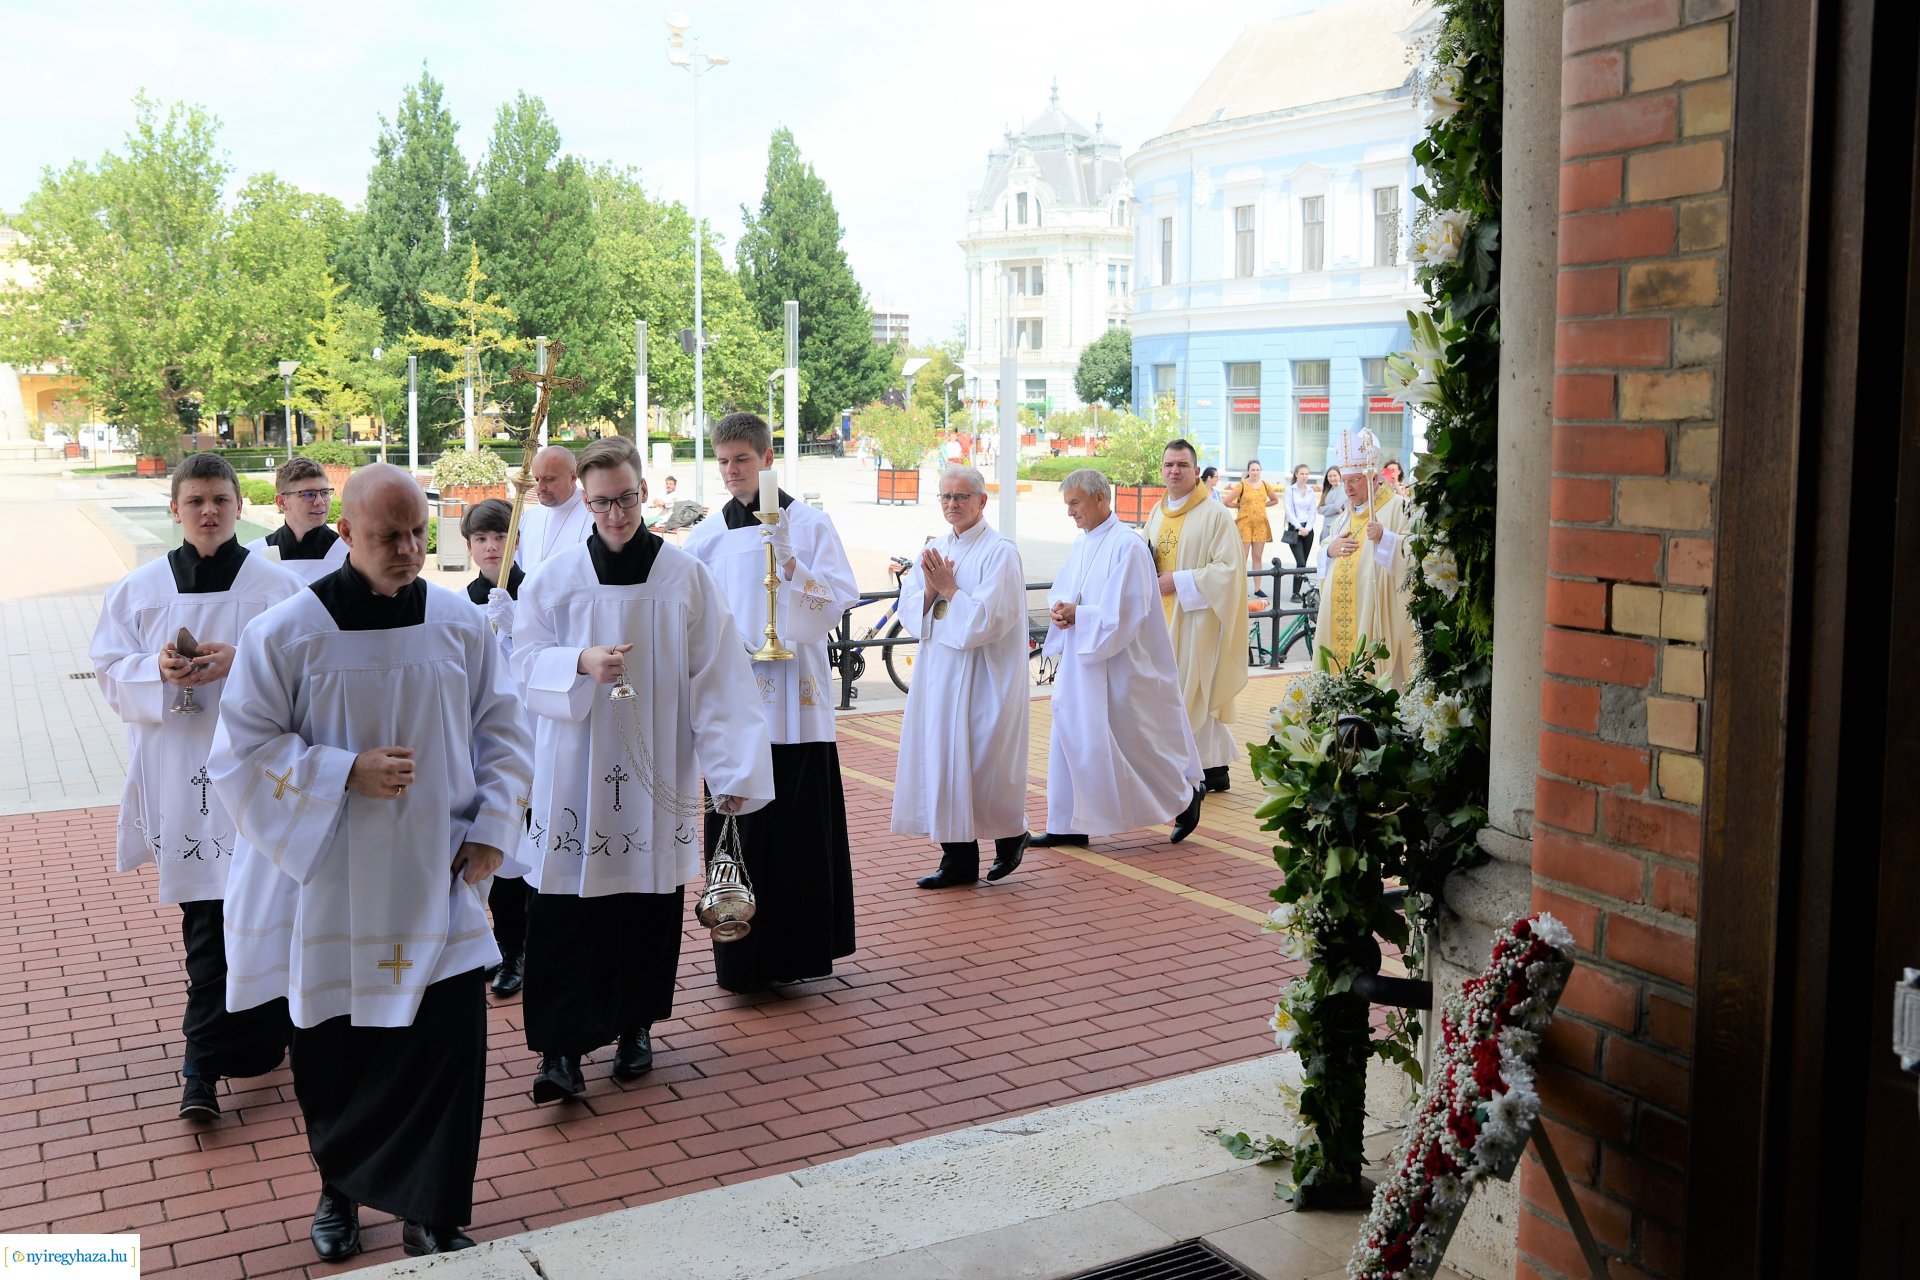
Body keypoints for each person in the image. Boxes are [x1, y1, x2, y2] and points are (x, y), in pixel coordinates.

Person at [208, 464, 534, 1261]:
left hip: (438, 873)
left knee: (448, 1045)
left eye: (421, 534)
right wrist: (342, 771)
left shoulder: (459, 624)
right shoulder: (287, 633)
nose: (410, 550)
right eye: (390, 536)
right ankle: (341, 1190)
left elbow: (506, 729)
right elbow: (240, 751)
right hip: (332, 884)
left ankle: (432, 1206)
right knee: (337, 1052)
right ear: (346, 534)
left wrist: (495, 824)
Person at [513, 436, 774, 1103]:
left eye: (626, 498)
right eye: (601, 502)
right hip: (575, 771)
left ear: (644, 494)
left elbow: (719, 679)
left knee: (644, 910)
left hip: (655, 767)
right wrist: (578, 663)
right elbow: (520, 662)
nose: (615, 514)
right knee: (565, 913)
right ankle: (560, 1053)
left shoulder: (685, 579)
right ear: (585, 499)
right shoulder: (557, 578)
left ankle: (635, 1028)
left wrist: (731, 770)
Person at [90, 452, 303, 1121]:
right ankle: (201, 1067)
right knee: (206, 927)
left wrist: (241, 665)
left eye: (220, 499)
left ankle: (267, 1041)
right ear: (175, 510)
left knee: (267, 916)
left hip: (257, 777)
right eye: (195, 501)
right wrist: (155, 670)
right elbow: (106, 669)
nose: (208, 511)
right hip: (182, 777)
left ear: (240, 506)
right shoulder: (139, 590)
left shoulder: (276, 589)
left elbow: (310, 675)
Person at [683, 413, 861, 991]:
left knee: (799, 831)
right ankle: (743, 959)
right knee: (743, 828)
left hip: (797, 704)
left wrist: (790, 562)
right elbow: (692, 616)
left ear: (766, 457)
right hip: (737, 701)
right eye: (724, 461)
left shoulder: (808, 523)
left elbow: (837, 599)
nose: (733, 471)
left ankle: (801, 955)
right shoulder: (708, 535)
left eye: (743, 459)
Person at [1032, 469, 1205, 849]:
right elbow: (1065, 590)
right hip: (1084, 661)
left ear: (1100, 499)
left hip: (1123, 663)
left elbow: (1127, 610)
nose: (1070, 513)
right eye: (1067, 505)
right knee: (1070, 735)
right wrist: (1060, 610)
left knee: (1134, 742)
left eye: (1075, 504)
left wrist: (1081, 614)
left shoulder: (1127, 545)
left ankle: (1186, 795)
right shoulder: (1083, 543)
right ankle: (1067, 824)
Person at [893, 465, 1031, 888]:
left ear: (981, 500)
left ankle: (1011, 833)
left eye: (961, 497)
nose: (952, 505)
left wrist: (950, 589)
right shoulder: (934, 547)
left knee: (981, 763)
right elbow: (910, 610)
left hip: (983, 678)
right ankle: (957, 858)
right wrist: (932, 590)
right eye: (946, 497)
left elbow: (987, 621)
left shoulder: (1000, 552)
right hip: (939, 674)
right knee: (941, 760)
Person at [1141, 441, 1248, 796]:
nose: (1174, 471)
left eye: (1182, 465)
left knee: (1195, 691)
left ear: (1196, 470)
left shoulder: (1215, 515)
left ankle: (1202, 768)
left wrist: (1180, 580)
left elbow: (1230, 570)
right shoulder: (1157, 513)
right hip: (1162, 620)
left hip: (1198, 620)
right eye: (1168, 464)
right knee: (1170, 692)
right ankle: (1210, 768)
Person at [463, 498, 534, 999]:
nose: (491, 548)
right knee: (487, 845)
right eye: (481, 539)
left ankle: (518, 951)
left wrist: (515, 626)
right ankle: (491, 944)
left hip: (530, 737)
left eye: (500, 538)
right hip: (477, 742)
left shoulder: (538, 593)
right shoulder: (458, 603)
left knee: (520, 853)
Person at [1315, 432, 1418, 686]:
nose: (1348, 488)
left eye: (1355, 481)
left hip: (1375, 615)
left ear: (1373, 479)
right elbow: (1326, 549)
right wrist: (1330, 550)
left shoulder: (1398, 508)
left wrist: (1386, 537)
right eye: (1345, 481)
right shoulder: (1342, 518)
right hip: (1341, 613)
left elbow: (1416, 552)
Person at [246, 456, 347, 584]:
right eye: (308, 494)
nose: (320, 502)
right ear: (281, 502)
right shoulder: (255, 555)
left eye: (324, 493)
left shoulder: (348, 554)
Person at [515, 445, 593, 575]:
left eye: (549, 479)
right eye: (536, 479)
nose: (539, 487)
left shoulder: (593, 515)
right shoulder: (530, 517)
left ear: (573, 477)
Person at [1224, 460, 1281, 595]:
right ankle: (1240, 587)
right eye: (1253, 470)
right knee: (1242, 557)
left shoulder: (1266, 485)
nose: (1255, 472)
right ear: (1248, 471)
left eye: (1257, 470)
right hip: (1244, 524)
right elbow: (1226, 501)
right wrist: (1239, 506)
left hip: (1260, 524)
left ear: (1260, 471)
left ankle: (1257, 588)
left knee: (1257, 556)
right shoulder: (1241, 485)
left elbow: (1275, 500)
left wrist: (1262, 506)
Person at [1282, 464, 1320, 602]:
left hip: (1308, 530)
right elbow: (1289, 510)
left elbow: (1312, 511)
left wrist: (1308, 528)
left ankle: (1299, 590)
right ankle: (1295, 593)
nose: (1305, 476)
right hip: (1295, 529)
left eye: (1307, 474)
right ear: (1296, 474)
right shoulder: (1290, 490)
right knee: (1301, 562)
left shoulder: (1310, 491)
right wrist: (1299, 527)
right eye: (1302, 473)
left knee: (1303, 563)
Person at [1315, 467, 1348, 583]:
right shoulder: (1328, 490)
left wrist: (1329, 509)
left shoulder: (1342, 489)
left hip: (1336, 526)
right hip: (1326, 526)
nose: (1332, 478)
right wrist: (1331, 509)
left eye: (1335, 475)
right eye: (1330, 476)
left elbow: (1337, 506)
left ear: (1340, 476)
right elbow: (1319, 509)